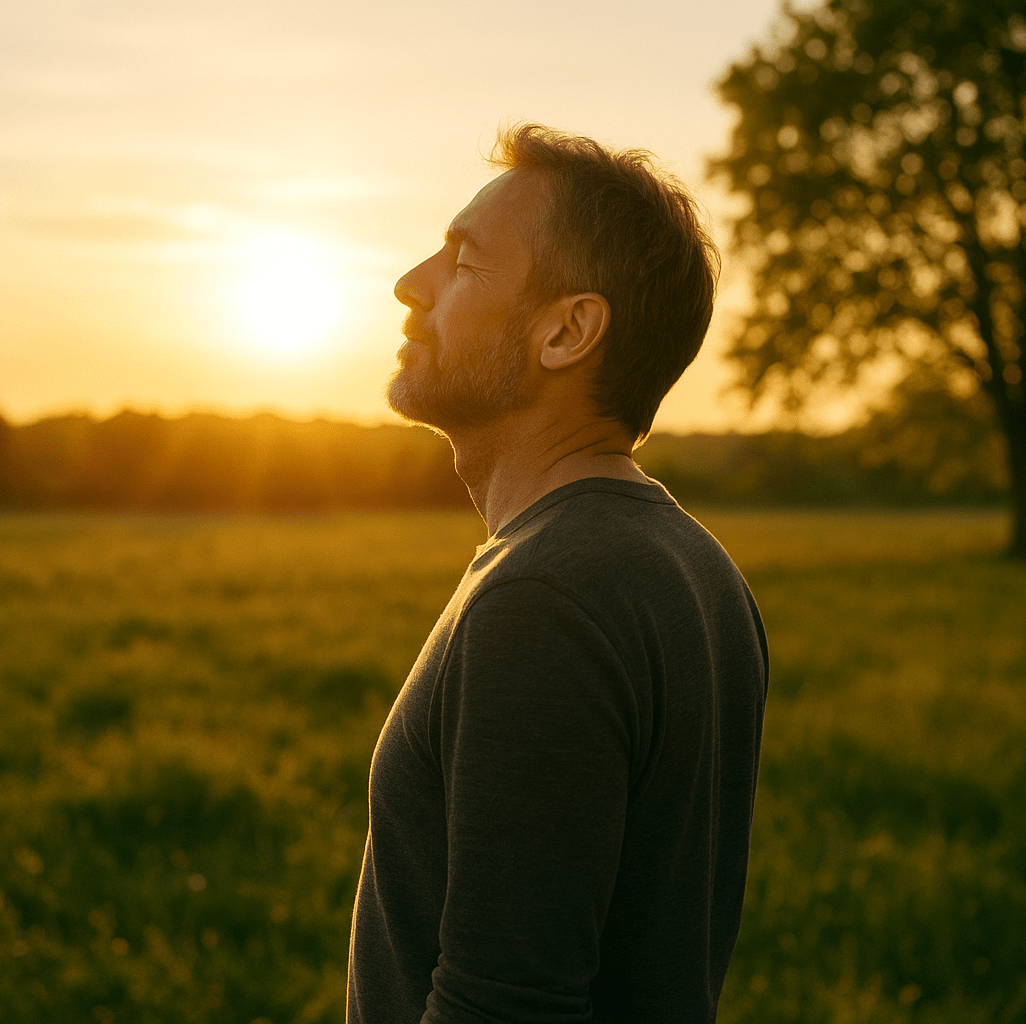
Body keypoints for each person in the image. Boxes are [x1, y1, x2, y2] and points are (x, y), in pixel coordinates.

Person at [347, 124, 768, 1024]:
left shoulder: (547, 598)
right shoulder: (694, 565)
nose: (412, 284)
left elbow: (504, 1008)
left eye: (463, 263)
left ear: (566, 331)